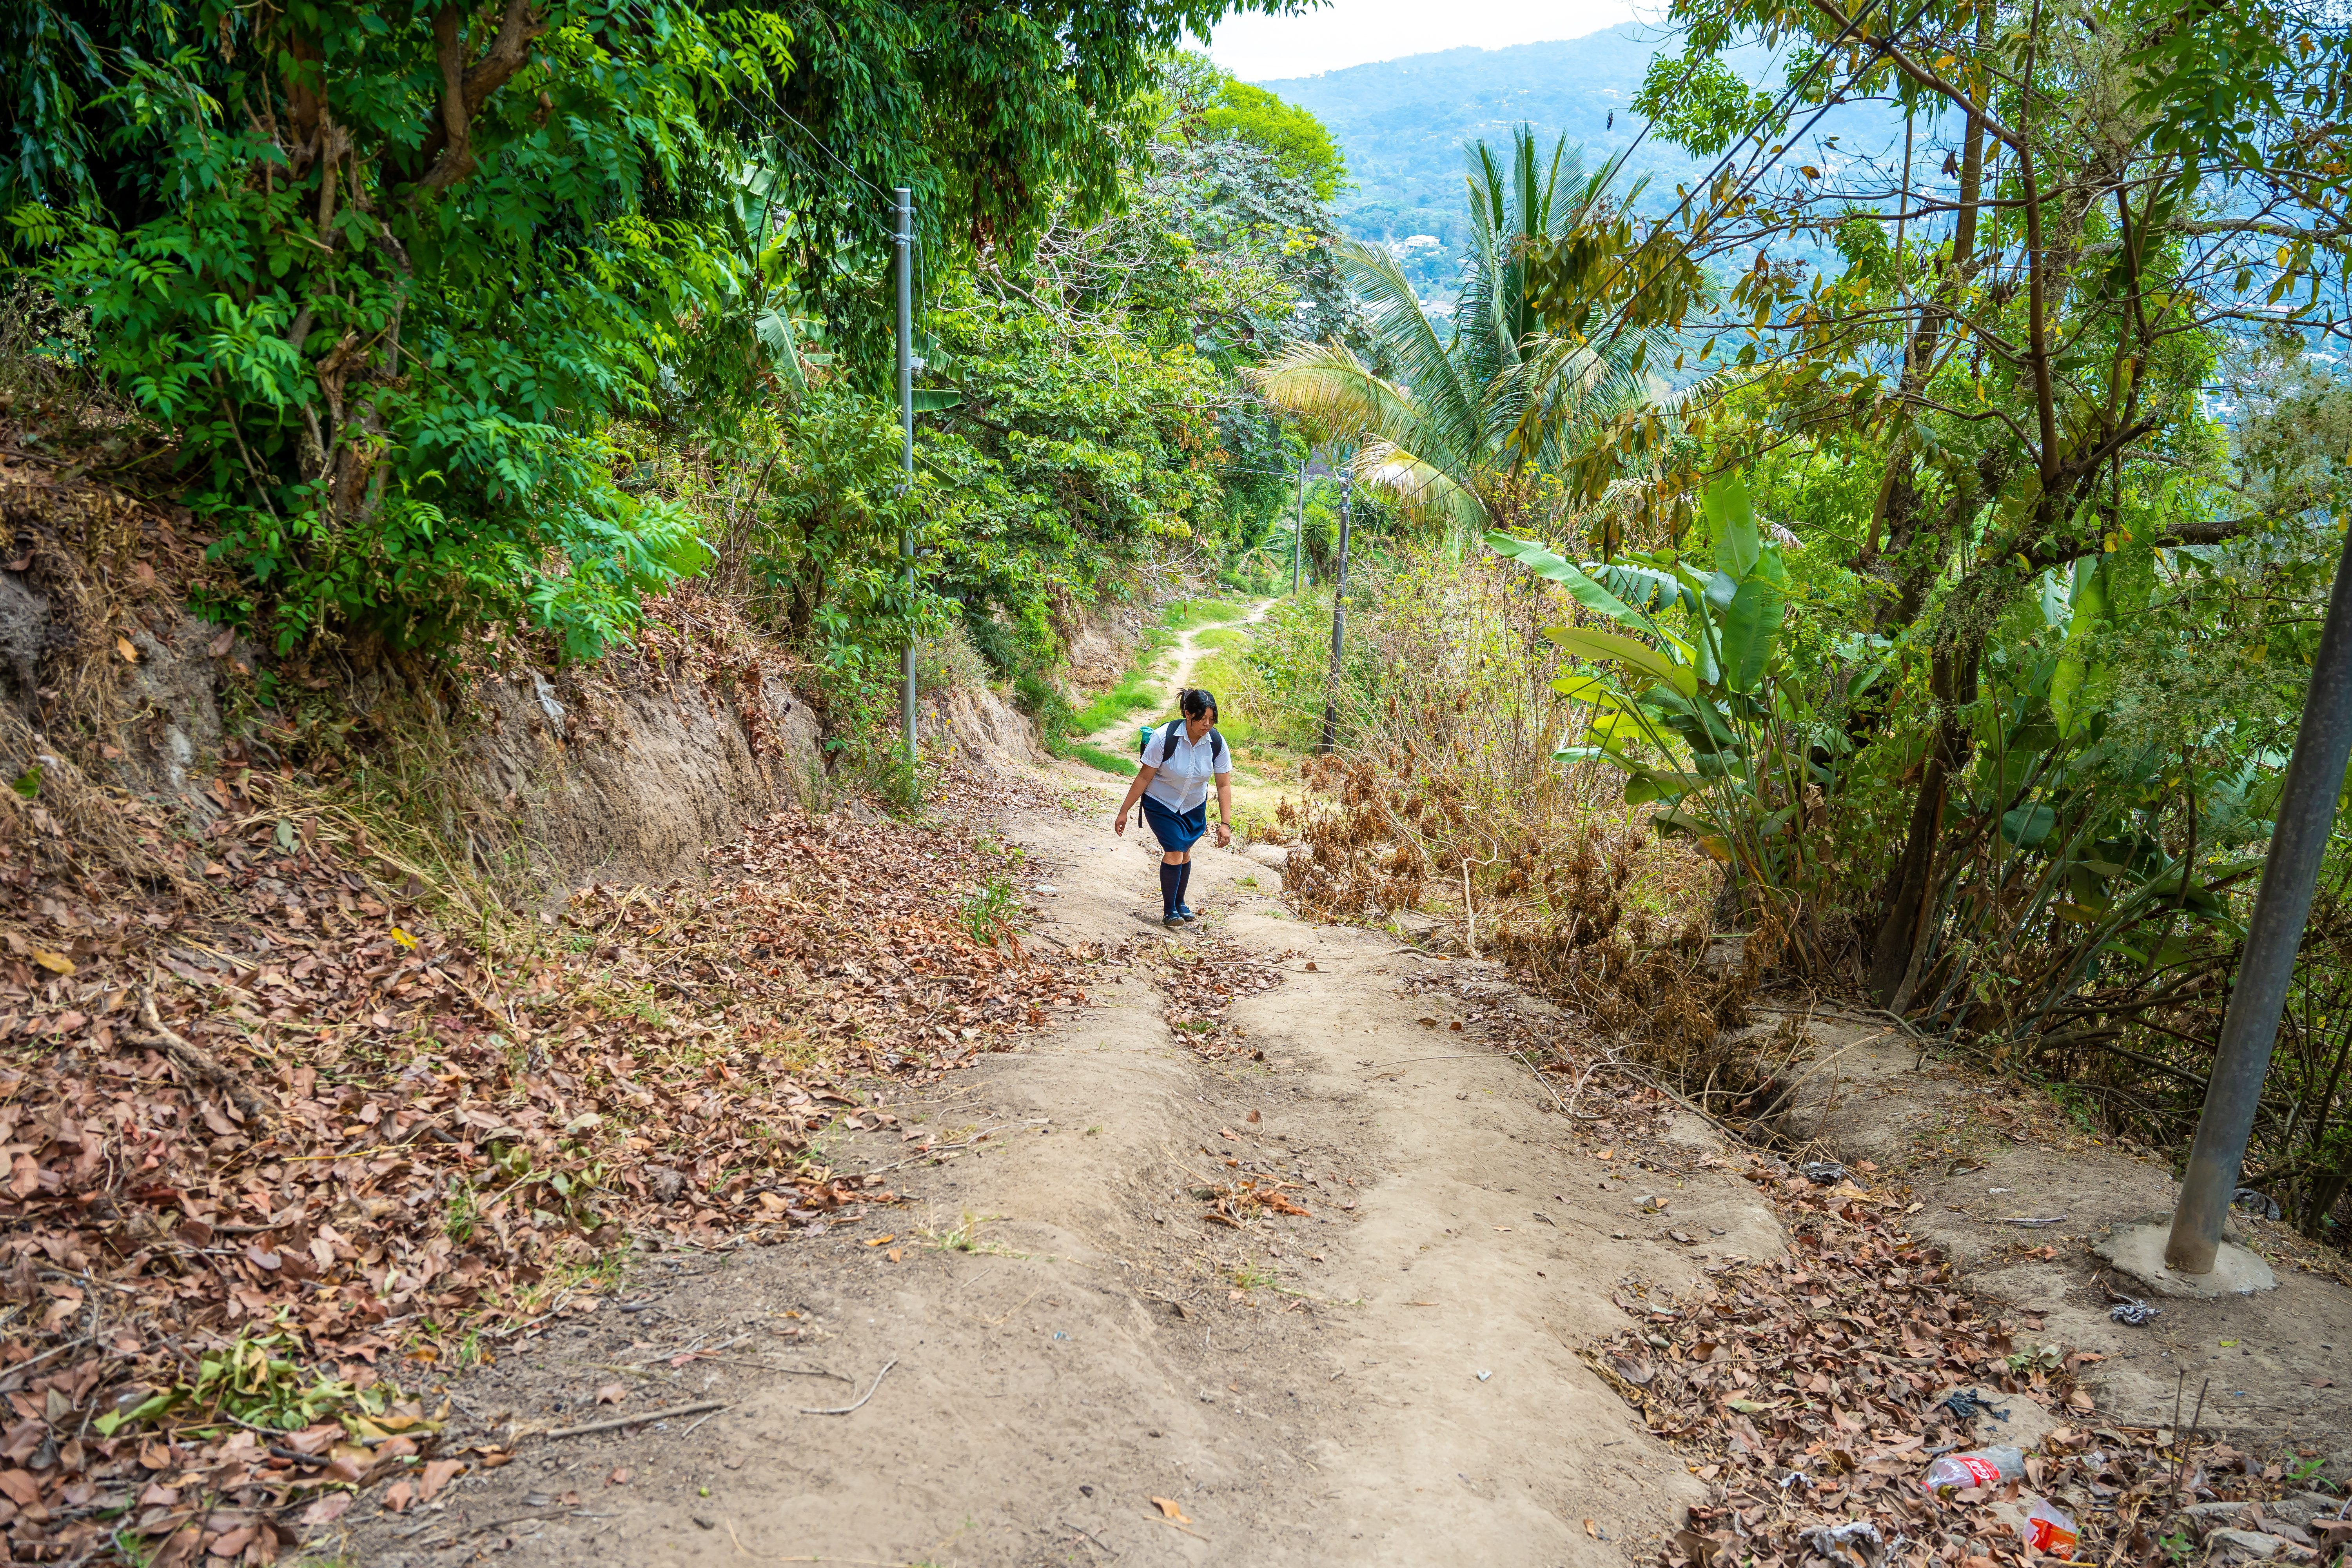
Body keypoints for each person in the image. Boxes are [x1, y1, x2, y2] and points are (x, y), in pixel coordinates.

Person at [1113, 687, 1234, 928]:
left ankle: (1180, 904)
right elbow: (1144, 778)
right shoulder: (1164, 738)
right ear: (1188, 714)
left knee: (1185, 852)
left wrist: (1225, 823)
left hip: (1193, 806)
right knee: (1175, 851)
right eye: (1202, 719)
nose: (1207, 725)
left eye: (1212, 720)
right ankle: (1170, 911)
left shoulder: (1217, 744)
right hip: (1161, 803)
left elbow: (1223, 785)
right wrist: (1124, 811)